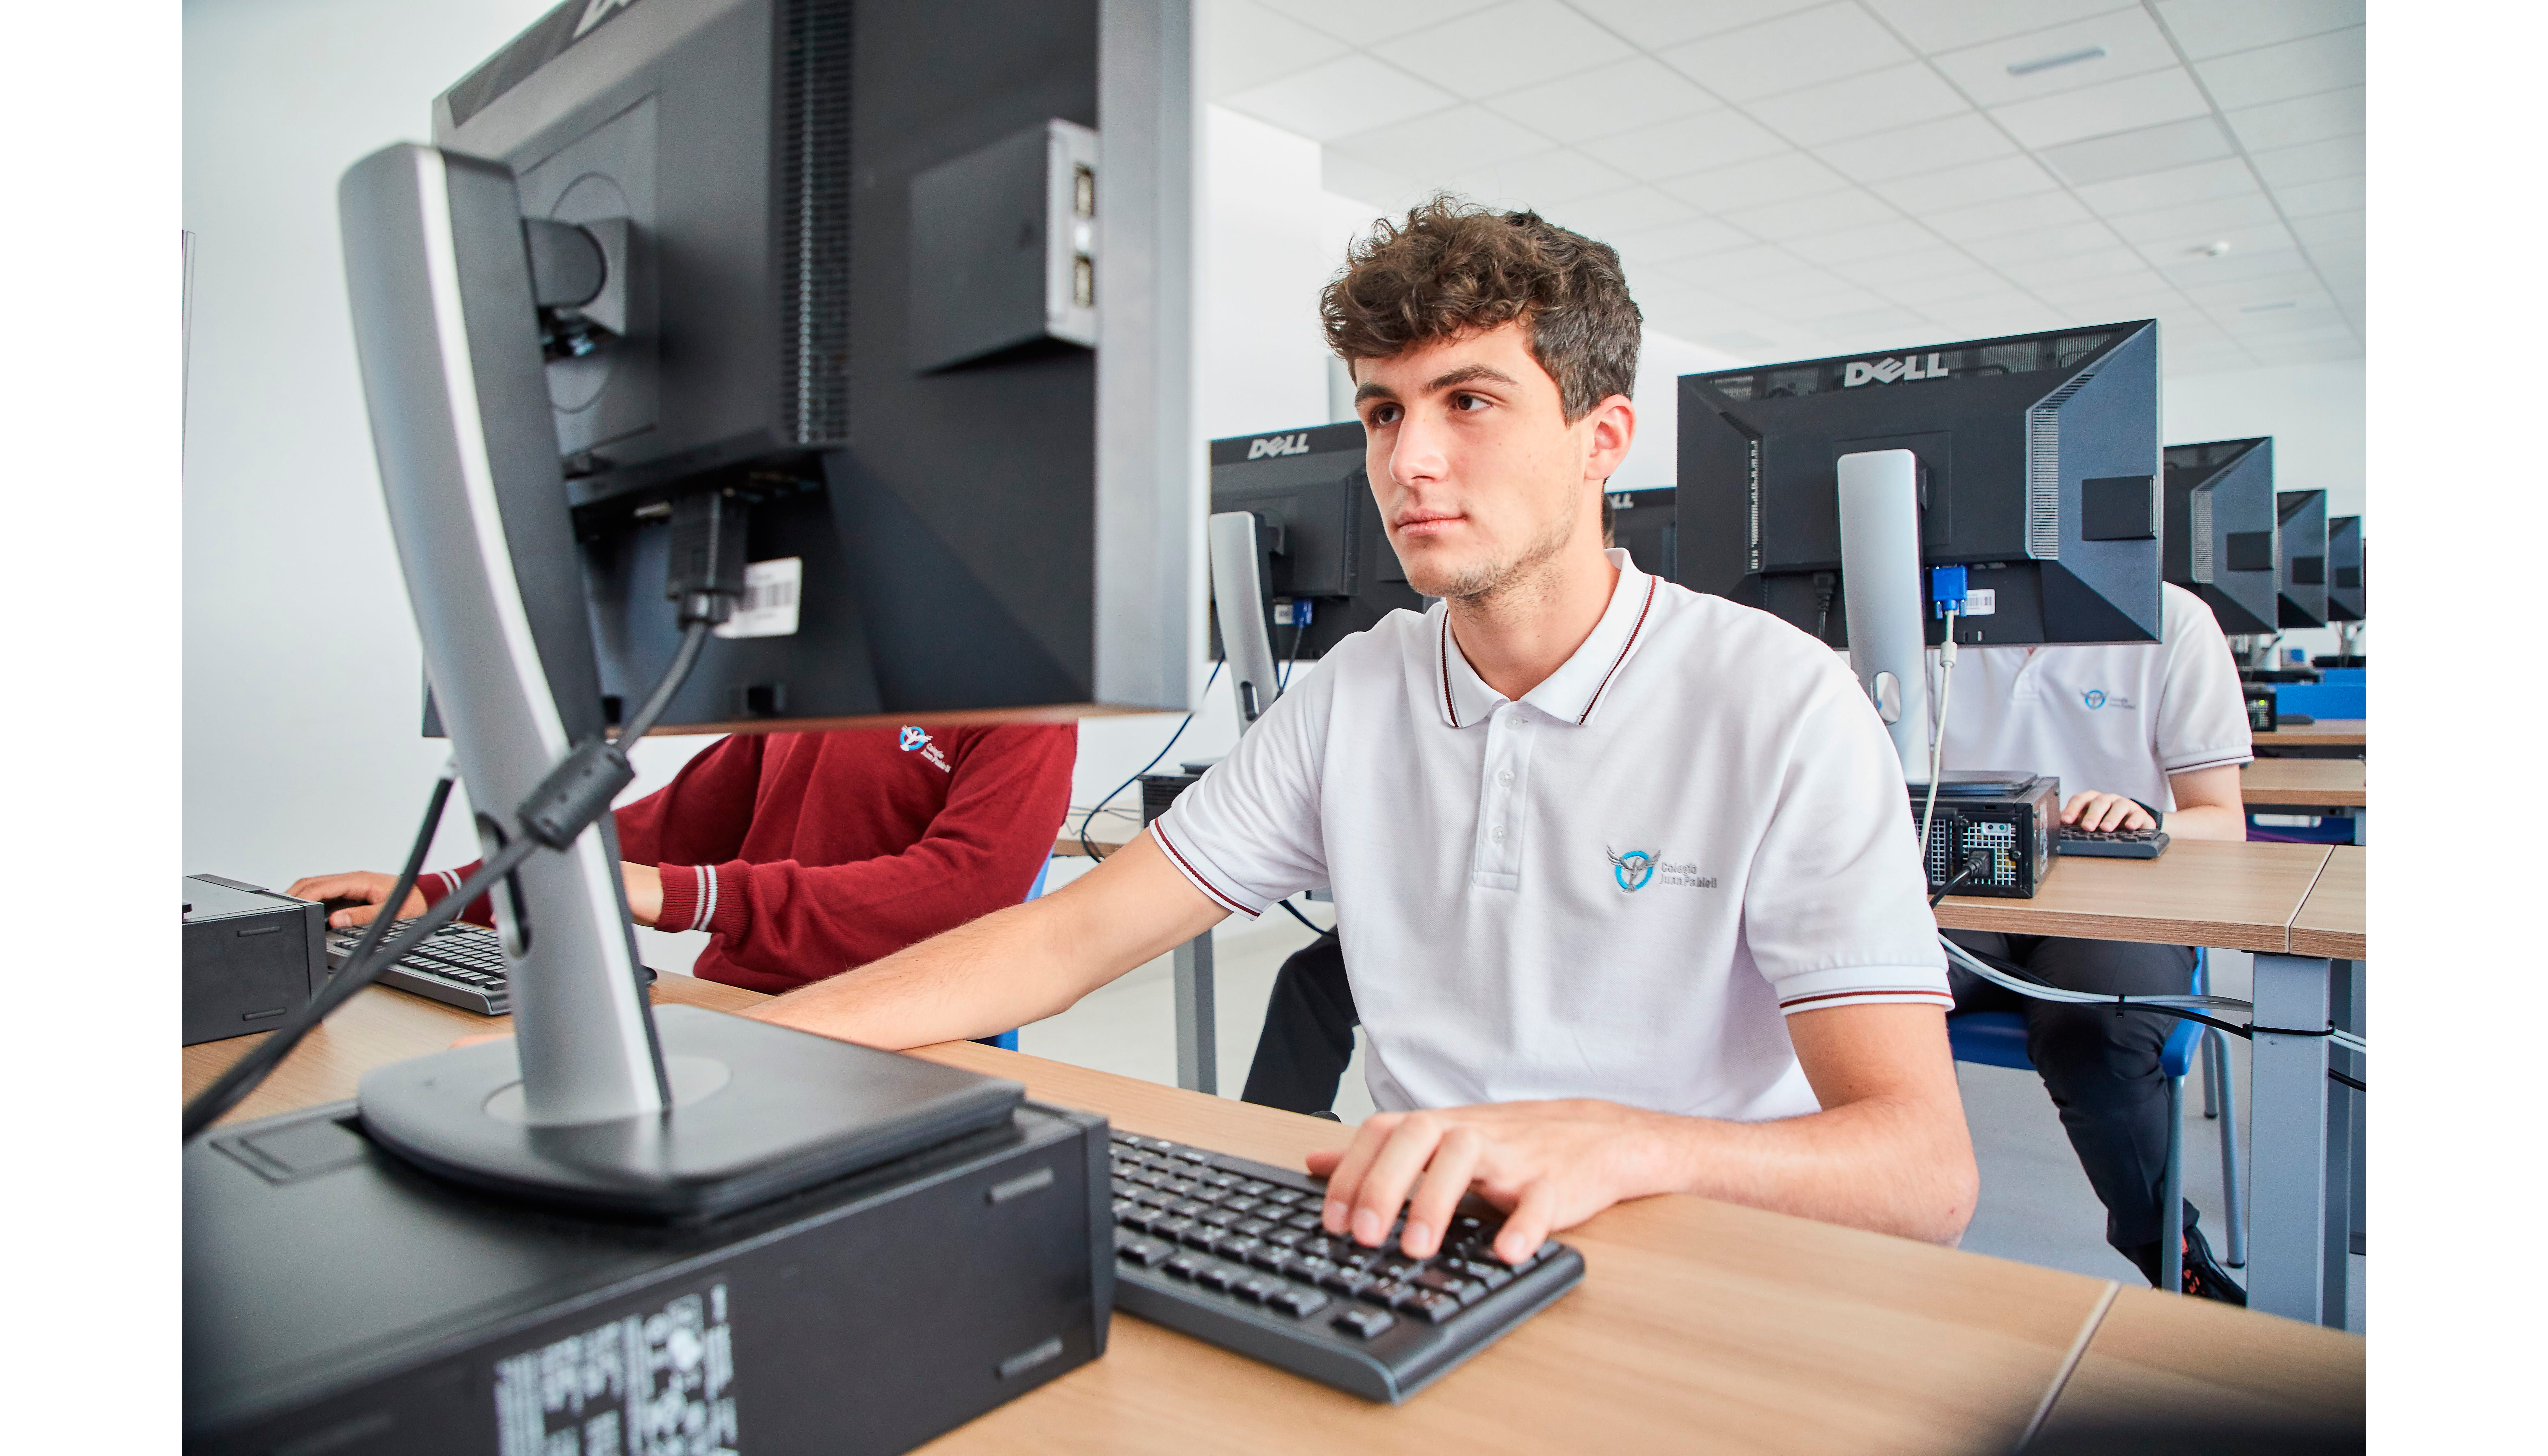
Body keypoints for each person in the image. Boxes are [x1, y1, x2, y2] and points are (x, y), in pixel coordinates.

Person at [740, 198, 1979, 1268]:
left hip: (1698, 1254)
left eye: (1470, 401)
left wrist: (1621, 1142)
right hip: (1418, 1245)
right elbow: (1066, 941)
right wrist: (735, 1060)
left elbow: (1923, 1172)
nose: (1411, 460)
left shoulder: (1778, 702)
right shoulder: (1354, 692)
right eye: (1384, 414)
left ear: (1603, 439)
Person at [1934, 585, 2255, 1302]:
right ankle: (1878, 1240)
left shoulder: (2169, 618)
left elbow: (2220, 820)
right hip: (1965, 891)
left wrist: (2143, 817)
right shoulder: (1927, 612)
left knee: (2092, 1031)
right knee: (1858, 993)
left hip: (2116, 903)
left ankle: (2169, 1253)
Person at [289, 723, 1074, 994]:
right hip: (743, 1012)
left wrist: (694, 898)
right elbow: (669, 830)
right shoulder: (830, 688)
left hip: (903, 1026)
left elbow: (967, 891)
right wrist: (448, 890)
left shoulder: (1027, 706)